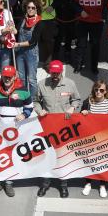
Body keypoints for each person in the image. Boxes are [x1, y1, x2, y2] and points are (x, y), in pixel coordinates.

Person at [0, 65, 33, 197]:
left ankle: (9, 182)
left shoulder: (23, 91)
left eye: (9, 77)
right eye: (5, 76)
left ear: (14, 77)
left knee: (12, 154)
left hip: (16, 128)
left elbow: (30, 107)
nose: (7, 79)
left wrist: (24, 115)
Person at [35, 60, 81, 198]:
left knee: (63, 157)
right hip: (48, 127)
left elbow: (77, 99)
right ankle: (45, 183)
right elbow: (35, 100)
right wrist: (39, 110)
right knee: (47, 156)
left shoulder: (70, 84)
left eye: (57, 73)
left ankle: (63, 184)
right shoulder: (42, 84)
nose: (55, 75)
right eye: (53, 73)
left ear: (61, 72)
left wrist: (73, 107)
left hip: (64, 128)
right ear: (50, 71)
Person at [79, 79, 108, 197]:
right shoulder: (88, 101)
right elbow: (80, 118)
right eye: (96, 89)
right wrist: (83, 113)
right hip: (90, 137)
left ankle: (102, 185)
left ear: (105, 91)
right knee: (89, 160)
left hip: (104, 137)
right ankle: (88, 183)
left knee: (103, 161)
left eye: (101, 90)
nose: (98, 92)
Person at [21, 0, 63, 65]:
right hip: (33, 18)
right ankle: (30, 60)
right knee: (31, 40)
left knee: (48, 41)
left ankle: (49, 62)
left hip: (48, 18)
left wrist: (52, 6)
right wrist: (27, 9)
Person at [72, 0, 105, 75]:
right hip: (82, 21)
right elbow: (73, 3)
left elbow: (106, 5)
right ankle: (78, 65)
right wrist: (80, 11)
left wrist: (104, 16)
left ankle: (94, 66)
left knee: (95, 45)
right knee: (81, 44)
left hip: (97, 22)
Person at [15, 0, 42, 98]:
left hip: (31, 54)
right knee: (21, 77)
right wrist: (12, 29)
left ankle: (32, 100)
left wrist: (17, 44)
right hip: (20, 53)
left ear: (37, 9)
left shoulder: (39, 22)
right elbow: (17, 32)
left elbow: (32, 41)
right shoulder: (23, 19)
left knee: (31, 79)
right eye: (28, 7)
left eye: (33, 8)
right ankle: (23, 97)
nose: (30, 10)